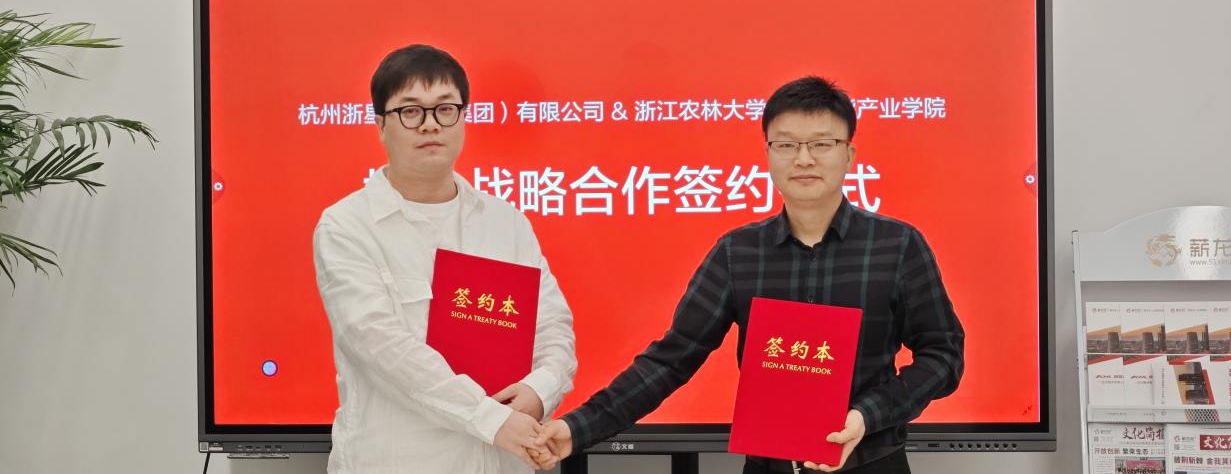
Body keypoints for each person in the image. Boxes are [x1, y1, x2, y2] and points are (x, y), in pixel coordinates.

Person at [531, 76, 963, 474]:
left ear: (849, 154)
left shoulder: (897, 245)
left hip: (873, 463)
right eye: (786, 144)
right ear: (769, 154)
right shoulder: (738, 253)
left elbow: (943, 356)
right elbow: (670, 360)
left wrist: (867, 415)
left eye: (822, 143)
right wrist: (577, 428)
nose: (804, 159)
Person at [313, 44, 576, 473]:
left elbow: (553, 326)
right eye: (410, 111)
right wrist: (490, 419)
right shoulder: (347, 226)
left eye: (445, 109)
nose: (430, 124)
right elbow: (381, 347)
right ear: (380, 125)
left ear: (463, 118)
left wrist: (540, 390)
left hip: (505, 462)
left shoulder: (506, 223)